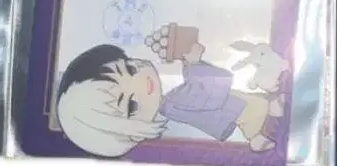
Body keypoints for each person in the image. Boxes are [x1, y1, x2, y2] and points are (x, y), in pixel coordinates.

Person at [56, 42, 286, 158]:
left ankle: (260, 130)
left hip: (226, 108)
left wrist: (192, 65)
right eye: (132, 105)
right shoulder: (173, 103)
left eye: (130, 69)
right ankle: (262, 130)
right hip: (228, 111)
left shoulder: (171, 99)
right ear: (132, 133)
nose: (141, 83)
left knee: (249, 106)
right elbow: (206, 92)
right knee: (252, 110)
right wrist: (192, 64)